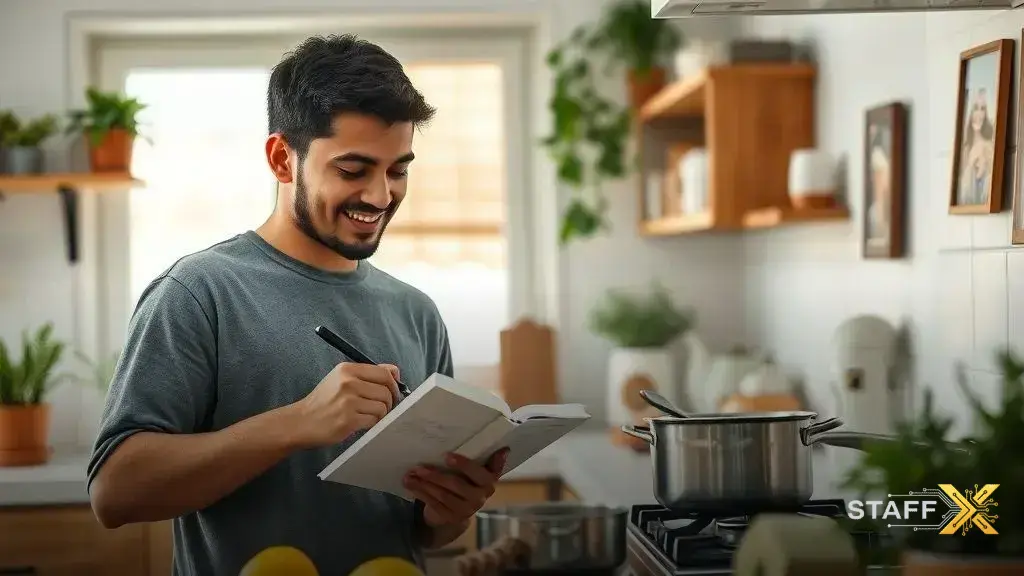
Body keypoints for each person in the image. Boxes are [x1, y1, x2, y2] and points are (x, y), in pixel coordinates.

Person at [86, 34, 507, 576]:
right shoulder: (199, 293)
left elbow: (427, 530)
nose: (381, 196)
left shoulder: (417, 312)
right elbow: (115, 494)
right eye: (353, 170)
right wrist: (299, 423)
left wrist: (451, 509)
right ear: (283, 158)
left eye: (398, 170)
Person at [958, 88, 995, 206]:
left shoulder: (988, 145)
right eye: (975, 108)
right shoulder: (964, 147)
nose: (979, 114)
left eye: (982, 109)